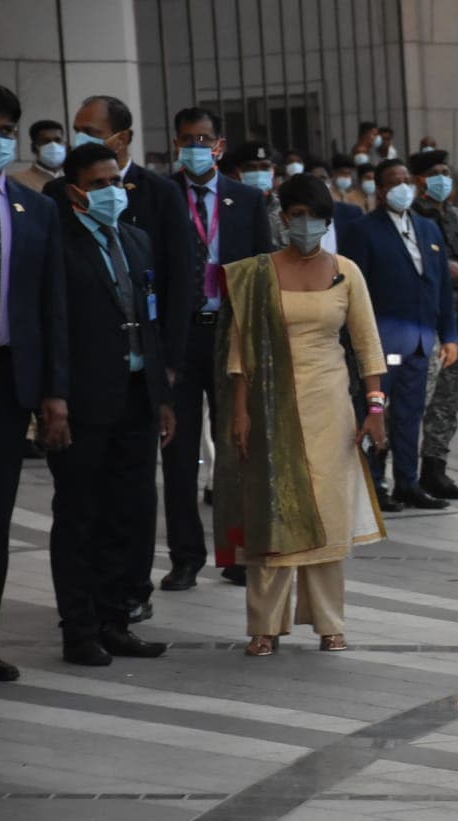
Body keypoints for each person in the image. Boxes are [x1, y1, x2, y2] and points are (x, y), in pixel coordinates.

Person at [215, 173, 387, 657]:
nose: (306, 226)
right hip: (270, 405)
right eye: (297, 216)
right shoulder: (258, 273)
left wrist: (375, 408)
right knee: (273, 511)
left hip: (330, 405)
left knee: (327, 513)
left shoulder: (346, 271)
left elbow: (367, 345)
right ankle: (264, 625)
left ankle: (330, 623)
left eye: (316, 218)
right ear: (282, 217)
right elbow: (241, 348)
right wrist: (242, 412)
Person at [44, 94, 196, 622]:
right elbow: (54, 313)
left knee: (132, 505)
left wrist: (166, 376)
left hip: (140, 381)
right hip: (88, 388)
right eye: (78, 129)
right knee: (84, 508)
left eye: (92, 129)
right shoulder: (57, 213)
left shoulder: (152, 208)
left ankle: (127, 600)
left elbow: (175, 285)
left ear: (123, 138)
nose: (82, 136)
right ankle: (82, 618)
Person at [160, 106, 273, 593]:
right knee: (179, 451)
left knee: (237, 449)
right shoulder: (161, 195)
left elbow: (264, 270)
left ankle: (236, 552)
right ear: (177, 145)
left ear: (220, 145)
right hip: (180, 335)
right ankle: (185, 556)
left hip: (230, 332)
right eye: (187, 140)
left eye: (204, 140)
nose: (196, 148)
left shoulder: (246, 199)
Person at [0, 83, 68, 681]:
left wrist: (52, 392)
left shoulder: (32, 208)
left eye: (3, 131)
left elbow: (50, 308)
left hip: (6, 378)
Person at [340, 158, 458, 511]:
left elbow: (441, 287)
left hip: (421, 339)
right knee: (374, 411)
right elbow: (352, 291)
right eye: (395, 181)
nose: (403, 187)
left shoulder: (427, 228)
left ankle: (407, 481)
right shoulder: (363, 231)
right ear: (379, 188)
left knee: (410, 414)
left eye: (407, 180)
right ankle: (373, 482)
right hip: (379, 341)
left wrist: (448, 335)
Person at [409, 149, 458, 500]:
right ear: (419, 179)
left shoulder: (454, 216)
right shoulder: (410, 218)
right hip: (423, 320)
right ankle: (402, 472)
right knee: (415, 398)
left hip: (454, 319)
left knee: (449, 395)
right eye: (435, 172)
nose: (443, 177)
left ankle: (434, 469)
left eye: (446, 170)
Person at [9, 119, 65, 192]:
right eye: (46, 141)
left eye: (57, 140)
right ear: (34, 146)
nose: (53, 146)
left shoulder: (71, 180)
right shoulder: (17, 181)